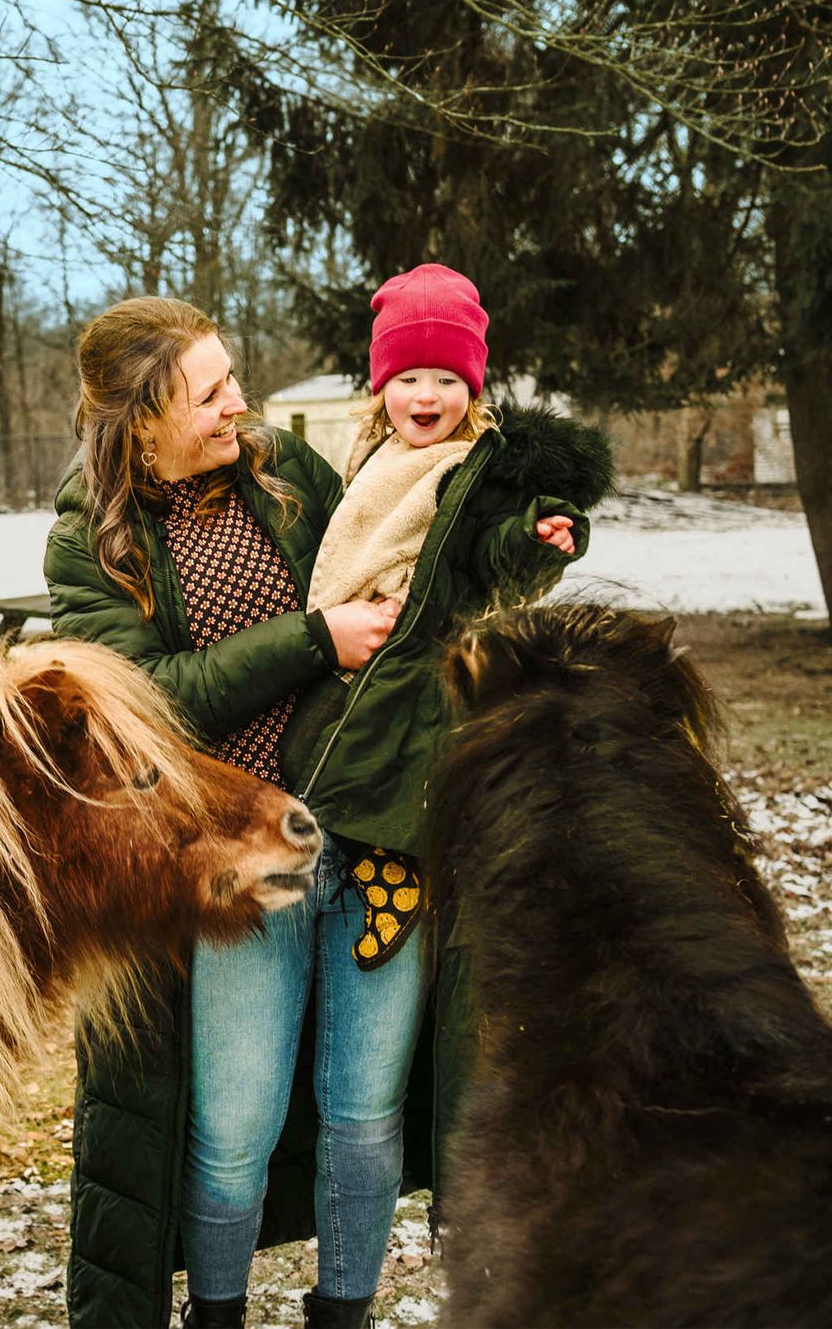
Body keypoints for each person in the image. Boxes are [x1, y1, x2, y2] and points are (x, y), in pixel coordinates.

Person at [44, 296, 409, 1329]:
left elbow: (403, 543)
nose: (237, 404)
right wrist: (313, 638)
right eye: (208, 393)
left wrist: (525, 532)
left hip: (363, 830)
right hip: (236, 864)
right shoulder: (89, 542)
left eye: (230, 378)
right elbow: (147, 700)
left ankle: (344, 1312)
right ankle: (217, 1315)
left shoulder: (287, 474)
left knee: (364, 1119)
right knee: (233, 1127)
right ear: (140, 419)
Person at [275, 262, 613, 1304]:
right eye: (407, 375)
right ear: (379, 386)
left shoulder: (477, 474)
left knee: (391, 806)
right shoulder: (359, 463)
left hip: (409, 710)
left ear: (475, 387)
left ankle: (392, 874)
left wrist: (543, 540)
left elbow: (496, 554)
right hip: (338, 691)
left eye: (445, 378)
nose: (426, 396)